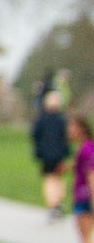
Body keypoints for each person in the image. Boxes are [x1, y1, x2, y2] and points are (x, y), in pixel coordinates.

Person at [33, 89, 71, 222]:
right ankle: (58, 204)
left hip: (46, 155)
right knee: (58, 178)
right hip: (59, 154)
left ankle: (53, 205)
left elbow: (35, 136)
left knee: (49, 179)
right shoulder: (61, 119)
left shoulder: (41, 119)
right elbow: (66, 137)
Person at [68, 115, 94, 243]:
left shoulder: (86, 148)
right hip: (83, 196)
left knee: (87, 239)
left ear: (81, 128)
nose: (69, 130)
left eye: (72, 126)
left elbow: (91, 174)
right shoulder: (85, 148)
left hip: (85, 198)